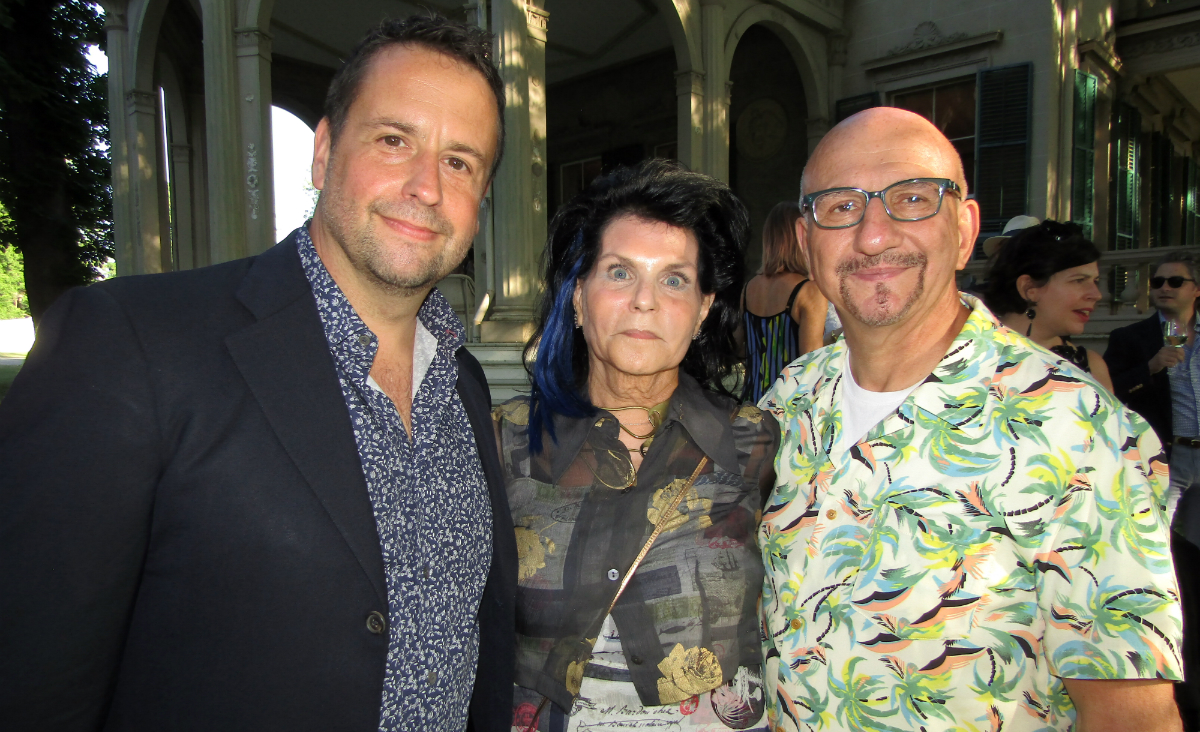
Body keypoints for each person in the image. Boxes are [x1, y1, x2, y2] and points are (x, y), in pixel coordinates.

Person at [0, 16, 516, 732]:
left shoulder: (463, 381)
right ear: (325, 151)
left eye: (460, 161)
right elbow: (32, 685)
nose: (427, 186)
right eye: (394, 140)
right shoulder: (132, 346)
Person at [758, 107, 1183, 731]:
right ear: (804, 241)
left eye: (912, 198)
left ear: (964, 229)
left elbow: (1132, 718)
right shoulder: (790, 401)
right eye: (841, 206)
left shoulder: (1077, 428)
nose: (873, 235)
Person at [494, 159, 780, 731]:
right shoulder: (505, 440)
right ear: (578, 298)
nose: (645, 300)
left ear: (701, 310)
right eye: (620, 272)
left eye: (673, 279)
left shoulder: (754, 440)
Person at [1106, 252, 1200, 729]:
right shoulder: (1130, 339)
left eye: (1175, 281)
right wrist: (1151, 367)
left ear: (1195, 289)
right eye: (1157, 282)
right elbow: (1109, 394)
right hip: (1166, 458)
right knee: (1164, 554)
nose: (1164, 288)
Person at [978, 219, 1113, 392]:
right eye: (1079, 280)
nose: (1096, 295)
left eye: (1095, 281)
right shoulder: (969, 356)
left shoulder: (1092, 367)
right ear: (1029, 288)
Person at [740, 201, 828, 404]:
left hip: (750, 403)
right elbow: (811, 362)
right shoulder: (809, 290)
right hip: (787, 406)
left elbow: (738, 349)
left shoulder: (749, 288)